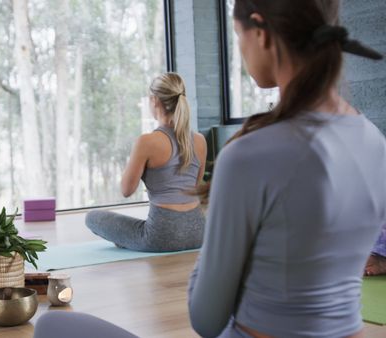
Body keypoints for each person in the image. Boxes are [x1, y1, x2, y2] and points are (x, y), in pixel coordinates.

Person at [187, 1, 385, 337]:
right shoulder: (375, 142)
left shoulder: (248, 154)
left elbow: (206, 320)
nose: (241, 49)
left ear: (261, 32)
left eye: (238, 35)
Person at [85, 72, 207, 252]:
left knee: (92, 217)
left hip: (161, 237)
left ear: (154, 100)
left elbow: (126, 190)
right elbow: (193, 187)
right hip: (199, 233)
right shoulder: (200, 141)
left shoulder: (147, 142)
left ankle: (129, 241)